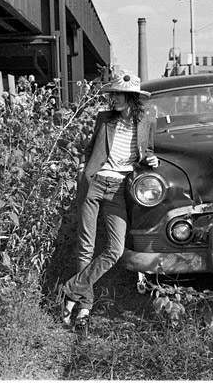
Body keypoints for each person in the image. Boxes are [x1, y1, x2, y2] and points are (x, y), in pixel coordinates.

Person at [61, 70, 159, 333]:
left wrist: (151, 160)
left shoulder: (147, 121)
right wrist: (83, 170)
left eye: (116, 94)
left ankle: (70, 289)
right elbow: (90, 148)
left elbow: (147, 150)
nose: (112, 99)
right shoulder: (104, 119)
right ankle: (84, 308)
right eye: (112, 94)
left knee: (115, 250)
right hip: (93, 184)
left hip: (118, 189)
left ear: (130, 97)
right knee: (86, 247)